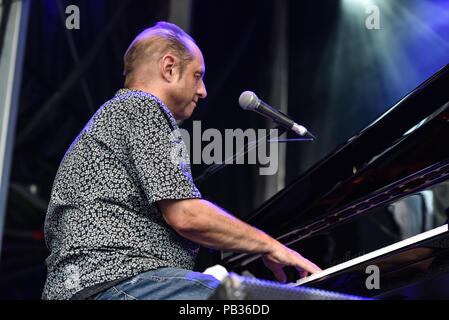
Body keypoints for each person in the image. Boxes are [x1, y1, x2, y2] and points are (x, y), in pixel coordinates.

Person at [42, 21, 321, 300]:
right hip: (116, 281)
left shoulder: (117, 114)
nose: (203, 91)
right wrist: (270, 246)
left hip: (89, 285)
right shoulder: (141, 106)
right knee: (257, 299)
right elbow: (186, 216)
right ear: (169, 68)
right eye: (197, 76)